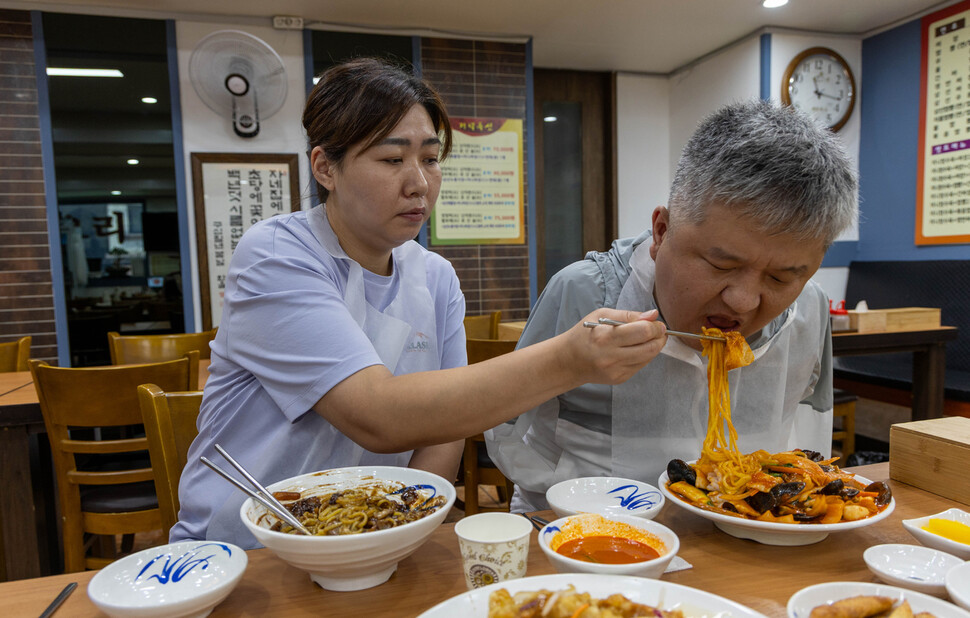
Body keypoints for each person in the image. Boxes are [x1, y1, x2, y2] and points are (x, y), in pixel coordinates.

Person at [171, 58, 668, 547]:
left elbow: (446, 430)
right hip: (243, 547)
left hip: (377, 539)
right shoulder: (276, 256)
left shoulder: (434, 277)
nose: (420, 183)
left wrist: (400, 530)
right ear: (325, 167)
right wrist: (570, 358)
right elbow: (375, 415)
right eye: (392, 159)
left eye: (430, 159)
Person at [485, 99, 859, 513]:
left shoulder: (809, 311)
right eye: (722, 264)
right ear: (662, 230)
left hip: (747, 532)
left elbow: (811, 435)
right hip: (579, 531)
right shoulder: (586, 295)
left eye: (781, 278)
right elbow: (507, 428)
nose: (743, 301)